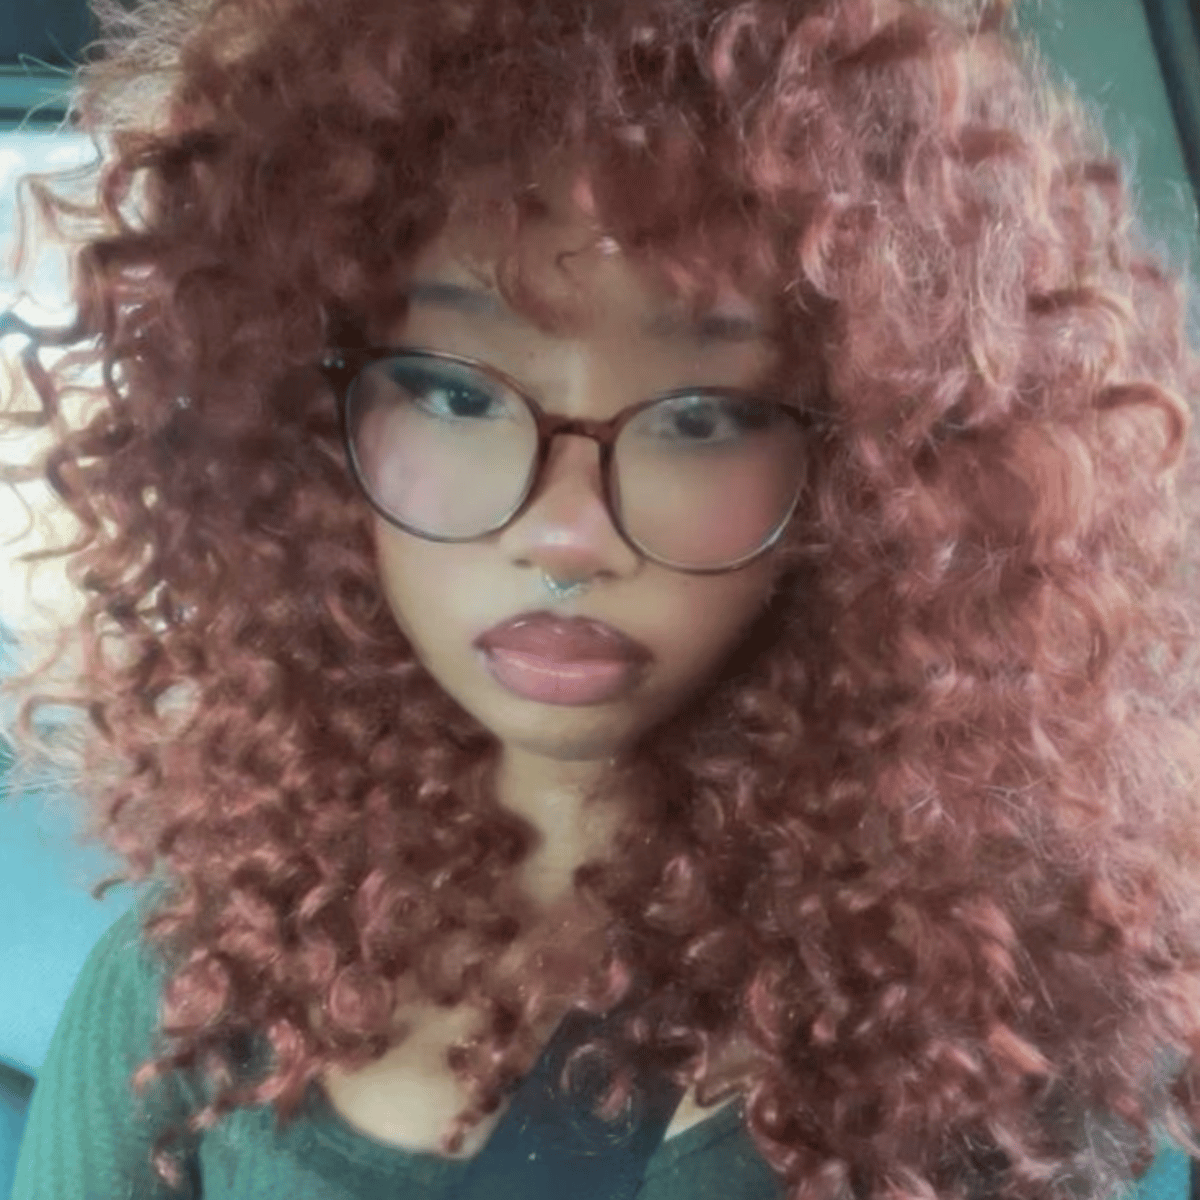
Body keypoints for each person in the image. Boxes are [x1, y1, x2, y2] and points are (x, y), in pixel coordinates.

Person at [3, 0, 1200, 1196]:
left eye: (702, 417)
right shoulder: (180, 997)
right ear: (302, 426)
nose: (566, 533)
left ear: (870, 474)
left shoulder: (968, 1030)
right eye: (459, 394)